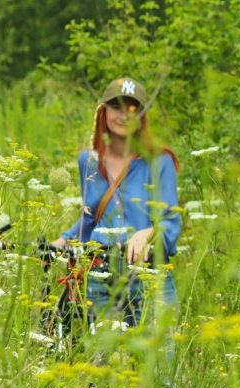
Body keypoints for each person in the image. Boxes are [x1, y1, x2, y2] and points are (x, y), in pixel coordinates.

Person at [53, 77, 181, 328]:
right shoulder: (88, 162)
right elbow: (91, 218)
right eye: (116, 107)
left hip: (149, 276)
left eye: (132, 108)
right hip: (101, 278)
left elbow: (170, 223)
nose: (123, 115)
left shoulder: (159, 161)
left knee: (157, 362)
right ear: (104, 112)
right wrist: (61, 241)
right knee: (104, 360)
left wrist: (146, 233)